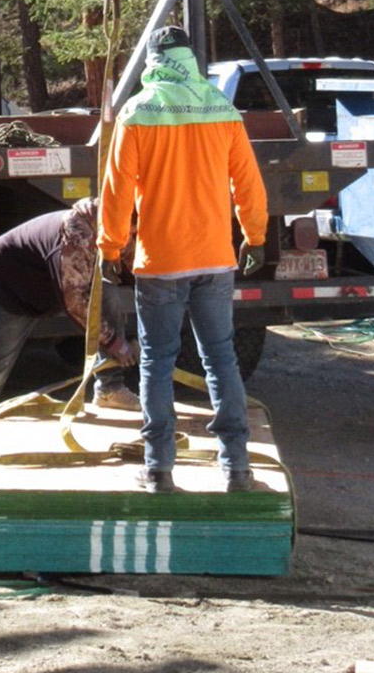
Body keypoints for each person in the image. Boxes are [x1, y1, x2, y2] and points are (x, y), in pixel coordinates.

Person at [98, 24, 268, 495]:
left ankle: (159, 470)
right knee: (221, 360)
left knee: (155, 362)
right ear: (191, 58)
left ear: (153, 60)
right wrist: (254, 236)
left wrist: (110, 248)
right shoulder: (222, 108)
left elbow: (117, 191)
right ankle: (237, 469)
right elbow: (248, 183)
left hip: (161, 263)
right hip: (215, 259)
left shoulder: (137, 111)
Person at [0, 198, 139, 440]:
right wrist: (116, 343)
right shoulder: (77, 235)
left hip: (50, 286)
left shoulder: (119, 224)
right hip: (7, 289)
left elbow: (133, 267)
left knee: (108, 294)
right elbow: (76, 302)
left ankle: (110, 388)